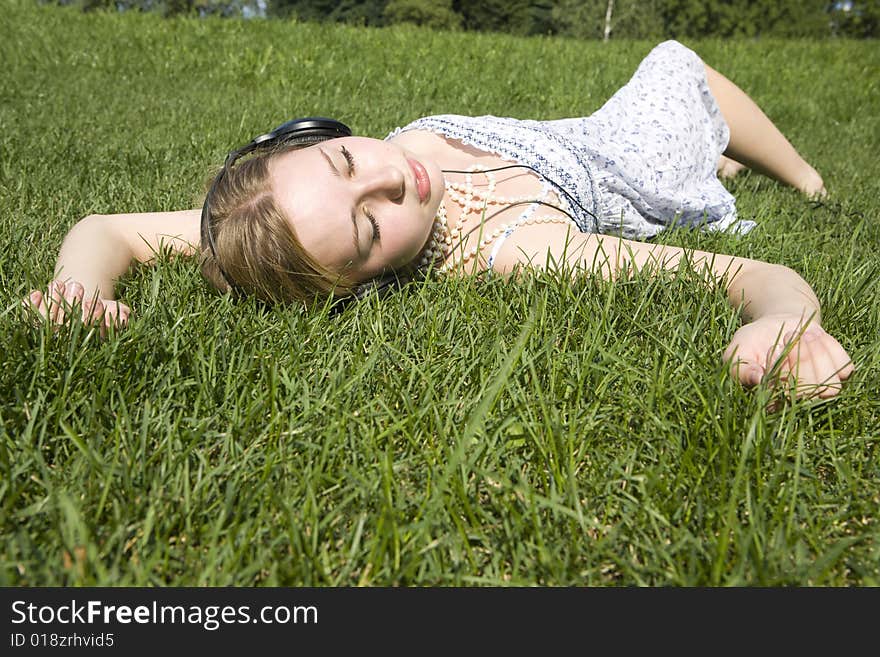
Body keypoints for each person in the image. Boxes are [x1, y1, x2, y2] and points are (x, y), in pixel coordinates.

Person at [23, 41, 853, 401]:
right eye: (372, 229)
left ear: (313, 139)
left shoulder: (267, 214)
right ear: (365, 280)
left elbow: (111, 227)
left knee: (677, 89)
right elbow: (750, 277)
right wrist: (787, 321)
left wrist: (74, 290)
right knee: (676, 72)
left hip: (567, 130)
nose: (393, 179)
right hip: (627, 158)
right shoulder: (519, 250)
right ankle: (804, 180)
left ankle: (740, 159)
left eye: (347, 160)